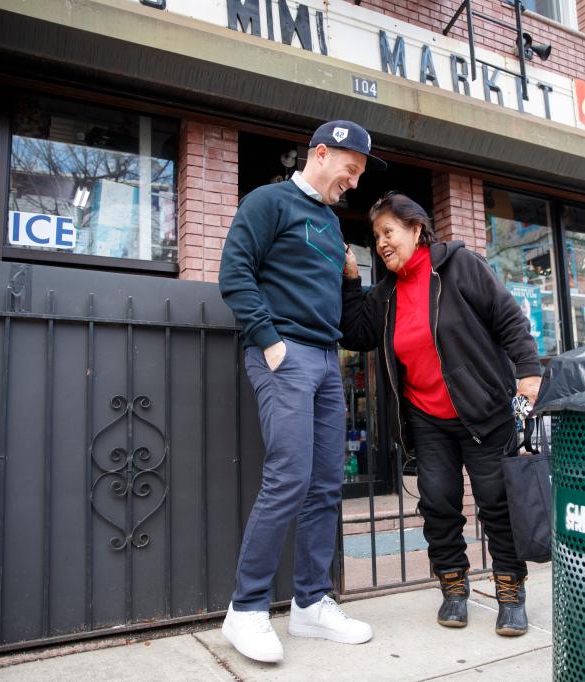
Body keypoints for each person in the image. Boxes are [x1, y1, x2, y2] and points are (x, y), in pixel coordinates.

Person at [218, 120, 386, 663]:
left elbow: (340, 307)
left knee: (325, 484)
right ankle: (245, 611)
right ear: (320, 153)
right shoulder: (269, 201)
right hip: (284, 354)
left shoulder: (332, 226)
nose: (354, 182)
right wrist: (269, 343)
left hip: (325, 360)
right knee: (288, 475)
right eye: (351, 169)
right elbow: (234, 272)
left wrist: (353, 280)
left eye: (359, 174)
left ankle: (311, 605)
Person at [339, 192, 542, 636]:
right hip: (427, 419)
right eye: (376, 237)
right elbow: (356, 334)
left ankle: (510, 592)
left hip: (484, 412)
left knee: (496, 504)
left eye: (388, 231)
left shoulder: (458, 266)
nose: (382, 243)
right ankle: (453, 589)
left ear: (416, 229)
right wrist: (352, 280)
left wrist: (529, 371)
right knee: (438, 505)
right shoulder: (386, 293)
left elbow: (508, 317)